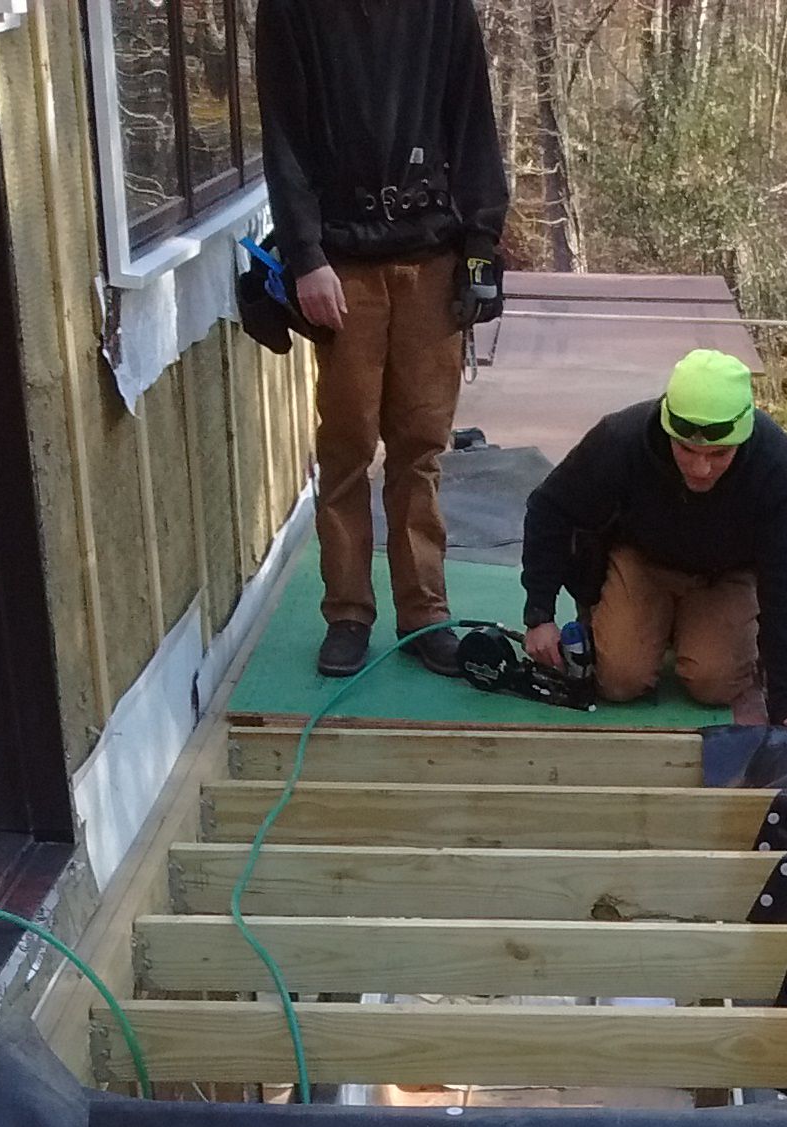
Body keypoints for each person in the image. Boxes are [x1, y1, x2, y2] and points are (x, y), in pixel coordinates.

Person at [256, 0, 508, 678]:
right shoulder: (292, 13)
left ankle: (424, 612)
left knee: (420, 447)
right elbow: (283, 142)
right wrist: (306, 258)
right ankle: (347, 613)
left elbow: (473, 125)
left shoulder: (443, 10)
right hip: (342, 265)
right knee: (344, 449)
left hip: (432, 258)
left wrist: (482, 246)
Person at [520, 349, 787, 744]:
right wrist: (539, 613)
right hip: (643, 561)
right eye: (687, 449)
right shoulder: (621, 440)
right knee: (619, 681)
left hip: (727, 574)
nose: (701, 469)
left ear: (743, 437)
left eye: (719, 454)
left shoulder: (776, 466)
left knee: (713, 682)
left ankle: (690, 632)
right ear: (668, 428)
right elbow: (550, 508)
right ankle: (653, 628)